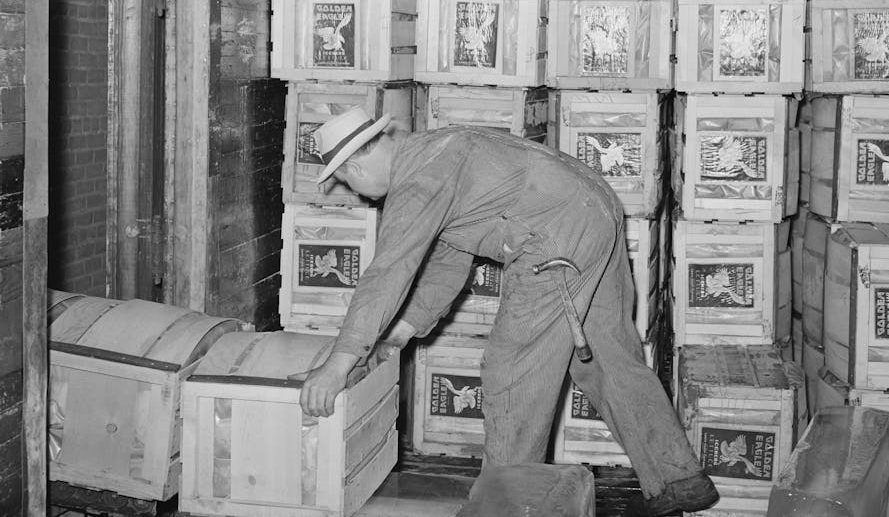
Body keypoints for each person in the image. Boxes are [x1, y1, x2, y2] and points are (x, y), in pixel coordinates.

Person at [294, 106, 719, 516]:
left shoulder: (417, 182)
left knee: (512, 374)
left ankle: (507, 507)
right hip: (591, 210)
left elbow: (388, 272)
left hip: (555, 241)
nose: (354, 191)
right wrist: (398, 333)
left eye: (347, 183)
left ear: (353, 169)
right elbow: (446, 263)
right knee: (607, 358)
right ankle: (678, 478)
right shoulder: (435, 151)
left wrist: (338, 363)